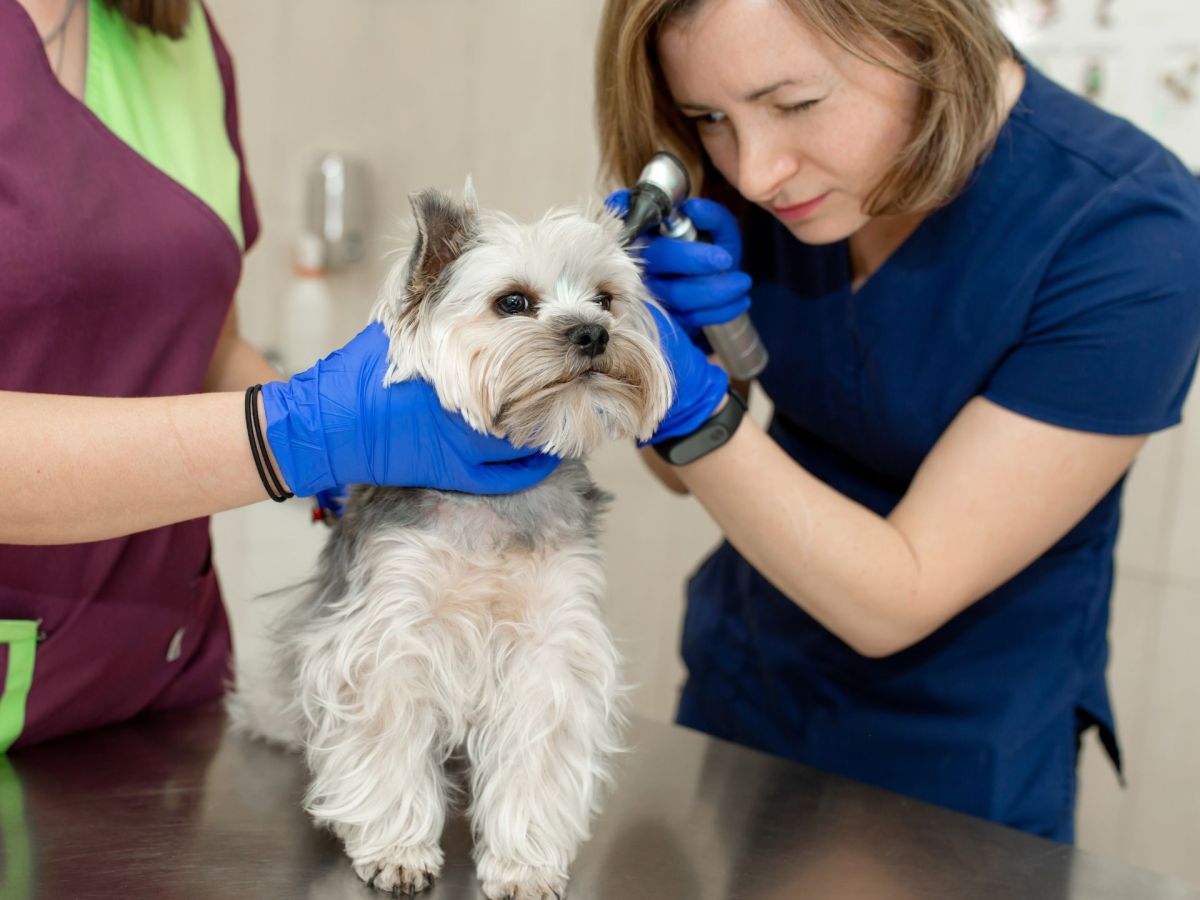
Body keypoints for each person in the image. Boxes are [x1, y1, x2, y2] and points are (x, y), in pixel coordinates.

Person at [596, 0, 1200, 841]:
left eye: (796, 104)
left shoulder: (1131, 233)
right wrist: (672, 354)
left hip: (958, 748)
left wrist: (681, 394)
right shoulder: (768, 187)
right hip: (749, 684)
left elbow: (898, 594)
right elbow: (677, 472)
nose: (759, 171)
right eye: (710, 118)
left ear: (925, 34)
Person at [0, 0, 572, 751]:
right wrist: (294, 436)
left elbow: (203, 334)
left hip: (158, 692)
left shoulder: (180, 35)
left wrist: (341, 435)